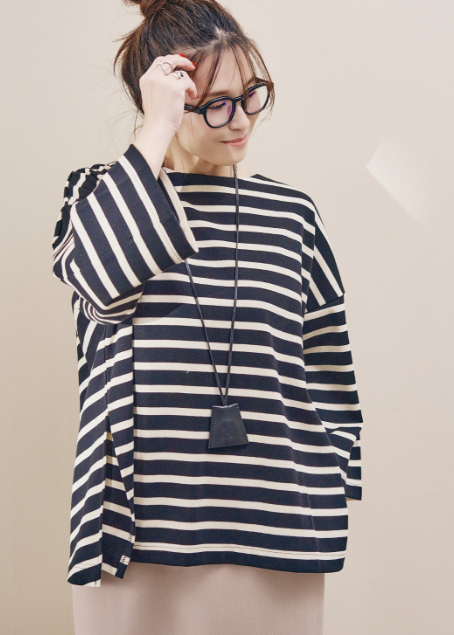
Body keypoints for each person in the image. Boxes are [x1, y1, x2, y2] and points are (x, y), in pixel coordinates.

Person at [52, 1, 364, 634]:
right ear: (164, 101)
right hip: (133, 529)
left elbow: (328, 360)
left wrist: (333, 476)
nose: (241, 119)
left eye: (252, 96)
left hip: (276, 524)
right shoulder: (99, 195)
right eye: (216, 103)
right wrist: (154, 133)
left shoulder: (292, 217)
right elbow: (99, 280)